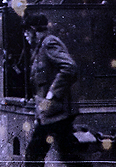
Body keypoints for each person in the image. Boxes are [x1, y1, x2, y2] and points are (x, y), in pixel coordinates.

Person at [22, 14, 86, 167]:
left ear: (32, 30)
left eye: (26, 33)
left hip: (56, 111)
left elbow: (69, 67)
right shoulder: (39, 48)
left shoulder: (49, 43)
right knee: (68, 153)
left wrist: (53, 93)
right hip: (53, 112)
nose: (25, 37)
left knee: (34, 153)